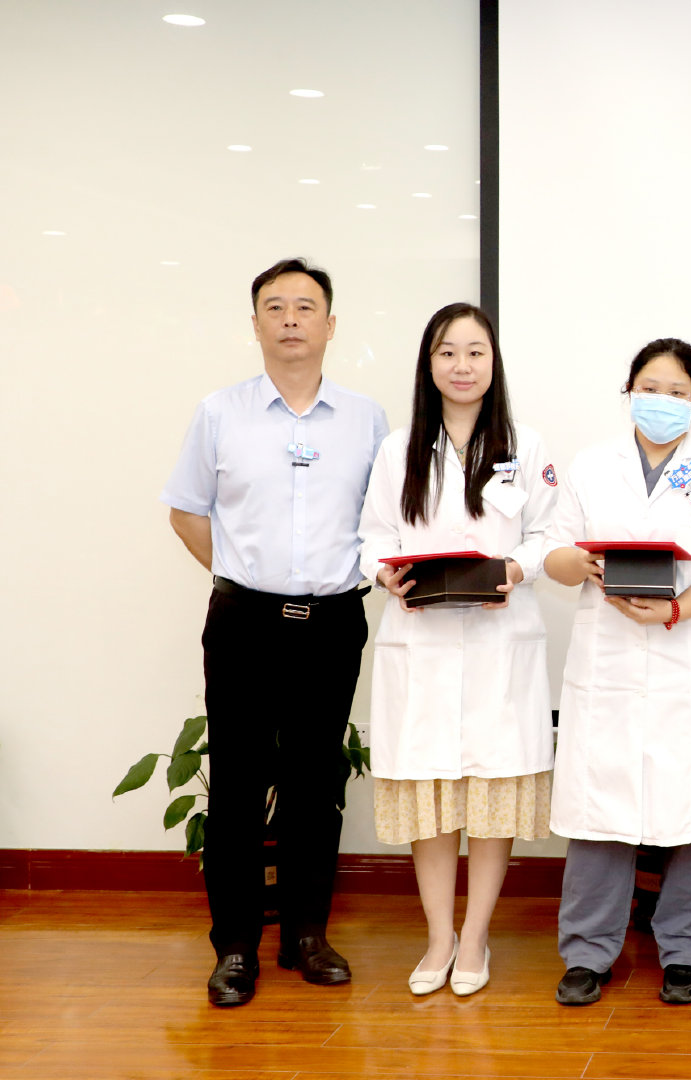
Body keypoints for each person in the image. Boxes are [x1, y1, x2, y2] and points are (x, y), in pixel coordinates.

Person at [161, 257, 388, 1007]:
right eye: (275, 307)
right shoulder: (219, 413)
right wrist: (243, 578)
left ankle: (306, 936)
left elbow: (383, 521)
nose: (291, 319)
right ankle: (234, 948)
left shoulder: (366, 419)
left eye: (305, 306)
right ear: (255, 324)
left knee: (315, 783)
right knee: (236, 784)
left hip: (332, 622)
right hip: (244, 622)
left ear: (331, 324)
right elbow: (187, 512)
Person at [541, 338, 691, 1006]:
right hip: (607, 659)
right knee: (599, 809)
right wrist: (582, 564)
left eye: (677, 392)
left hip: (690, 656)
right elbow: (553, 553)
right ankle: (587, 953)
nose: (662, 401)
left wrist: (675, 610)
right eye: (649, 388)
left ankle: (686, 952)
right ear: (628, 392)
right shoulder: (590, 465)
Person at [358, 303, 557, 997]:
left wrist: (516, 569)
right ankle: (439, 937)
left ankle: (475, 938)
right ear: (429, 364)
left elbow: (551, 535)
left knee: (492, 794)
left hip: (500, 639)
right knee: (432, 794)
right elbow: (373, 535)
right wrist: (383, 572)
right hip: (422, 641)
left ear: (494, 362)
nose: (462, 366)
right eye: (448, 352)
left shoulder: (526, 446)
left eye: (476, 352)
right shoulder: (399, 448)